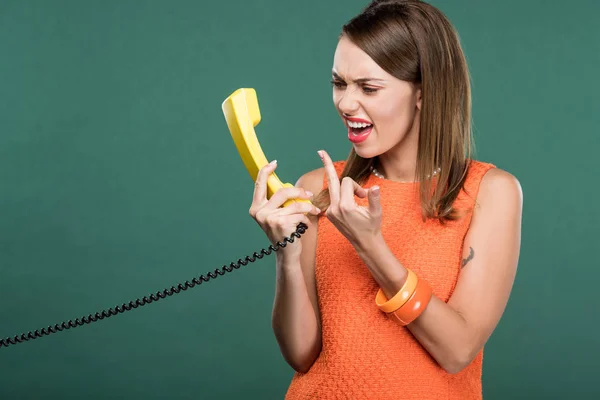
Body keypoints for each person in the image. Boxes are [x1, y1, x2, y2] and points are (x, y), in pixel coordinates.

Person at [248, 0, 523, 398]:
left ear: (424, 94)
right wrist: (286, 256)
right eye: (339, 83)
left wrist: (371, 247)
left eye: (369, 88)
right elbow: (302, 355)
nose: (345, 103)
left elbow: (457, 349)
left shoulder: (490, 192)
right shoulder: (319, 188)